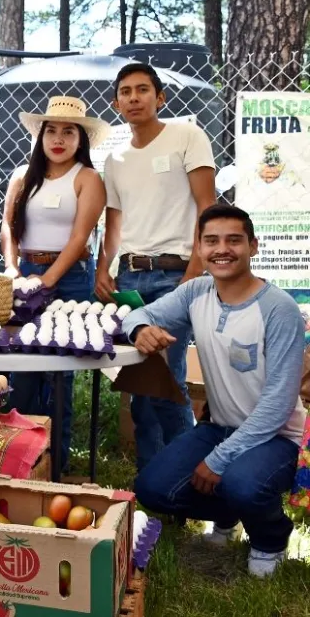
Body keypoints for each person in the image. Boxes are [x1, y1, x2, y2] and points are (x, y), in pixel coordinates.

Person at [127, 204, 305, 578]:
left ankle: (270, 535)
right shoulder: (196, 291)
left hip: (277, 437)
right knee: (153, 488)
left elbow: (278, 405)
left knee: (241, 481)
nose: (221, 249)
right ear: (199, 248)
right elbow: (138, 314)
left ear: (253, 246)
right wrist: (141, 330)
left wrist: (219, 459)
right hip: (220, 425)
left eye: (233, 240)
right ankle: (228, 514)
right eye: (211, 241)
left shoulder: (279, 309)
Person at [96, 62, 217, 470]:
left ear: (159, 97)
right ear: (116, 103)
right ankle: (152, 485)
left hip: (174, 275)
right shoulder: (115, 158)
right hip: (130, 278)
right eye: (125, 92)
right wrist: (102, 268)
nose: (134, 98)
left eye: (142, 90)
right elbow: (114, 222)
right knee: (141, 388)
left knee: (168, 382)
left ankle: (186, 484)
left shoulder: (186, 136)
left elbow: (207, 207)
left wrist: (192, 277)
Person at [0, 96, 110, 472]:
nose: (58, 139)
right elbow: (9, 227)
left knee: (60, 375)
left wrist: (47, 280)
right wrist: (13, 269)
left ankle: (57, 464)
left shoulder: (88, 178)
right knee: (23, 371)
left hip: (71, 279)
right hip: (28, 272)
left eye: (68, 131)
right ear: (41, 136)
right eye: (51, 131)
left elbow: (80, 238)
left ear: (82, 139)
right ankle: (19, 461)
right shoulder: (21, 176)